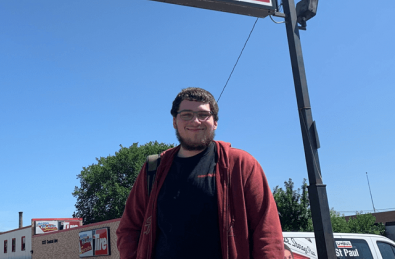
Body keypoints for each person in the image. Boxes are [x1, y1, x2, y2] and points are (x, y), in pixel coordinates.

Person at [117, 87, 284, 259]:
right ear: (175, 121)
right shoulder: (154, 168)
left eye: (203, 115)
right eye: (186, 114)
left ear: (215, 122)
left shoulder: (241, 164)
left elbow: (267, 232)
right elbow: (129, 229)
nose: (195, 121)